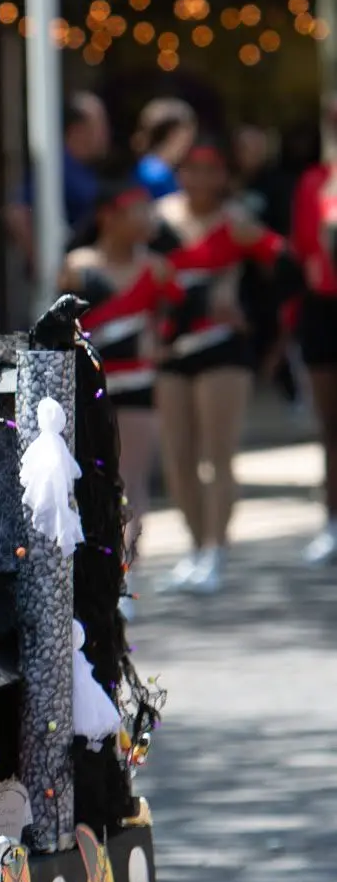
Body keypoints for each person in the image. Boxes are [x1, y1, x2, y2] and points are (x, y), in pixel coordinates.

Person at [153, 144, 297, 594]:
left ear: (222, 176)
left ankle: (216, 550)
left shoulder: (236, 221)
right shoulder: (159, 218)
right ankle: (196, 547)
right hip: (171, 348)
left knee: (218, 454)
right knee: (178, 456)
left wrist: (255, 315)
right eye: (191, 169)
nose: (199, 178)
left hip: (223, 348)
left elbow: (286, 264)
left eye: (209, 169)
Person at [61, 181, 166, 586]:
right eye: (136, 211)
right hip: (91, 382)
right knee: (92, 476)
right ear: (109, 216)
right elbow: (59, 327)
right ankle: (95, 565)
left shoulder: (157, 267)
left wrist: (158, 338)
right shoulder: (78, 265)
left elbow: (175, 317)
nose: (146, 220)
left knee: (131, 478)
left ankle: (126, 570)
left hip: (138, 379)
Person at [290, 137, 337, 563]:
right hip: (323, 308)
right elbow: (304, 245)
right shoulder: (314, 182)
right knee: (330, 425)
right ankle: (332, 520)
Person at [6, 92, 110, 260]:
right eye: (100, 126)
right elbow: (17, 214)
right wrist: (44, 262)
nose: (106, 134)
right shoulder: (54, 168)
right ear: (78, 129)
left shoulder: (85, 167)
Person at [133, 99, 198, 201]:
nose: (192, 142)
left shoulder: (161, 169)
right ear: (174, 134)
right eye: (190, 135)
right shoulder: (156, 176)